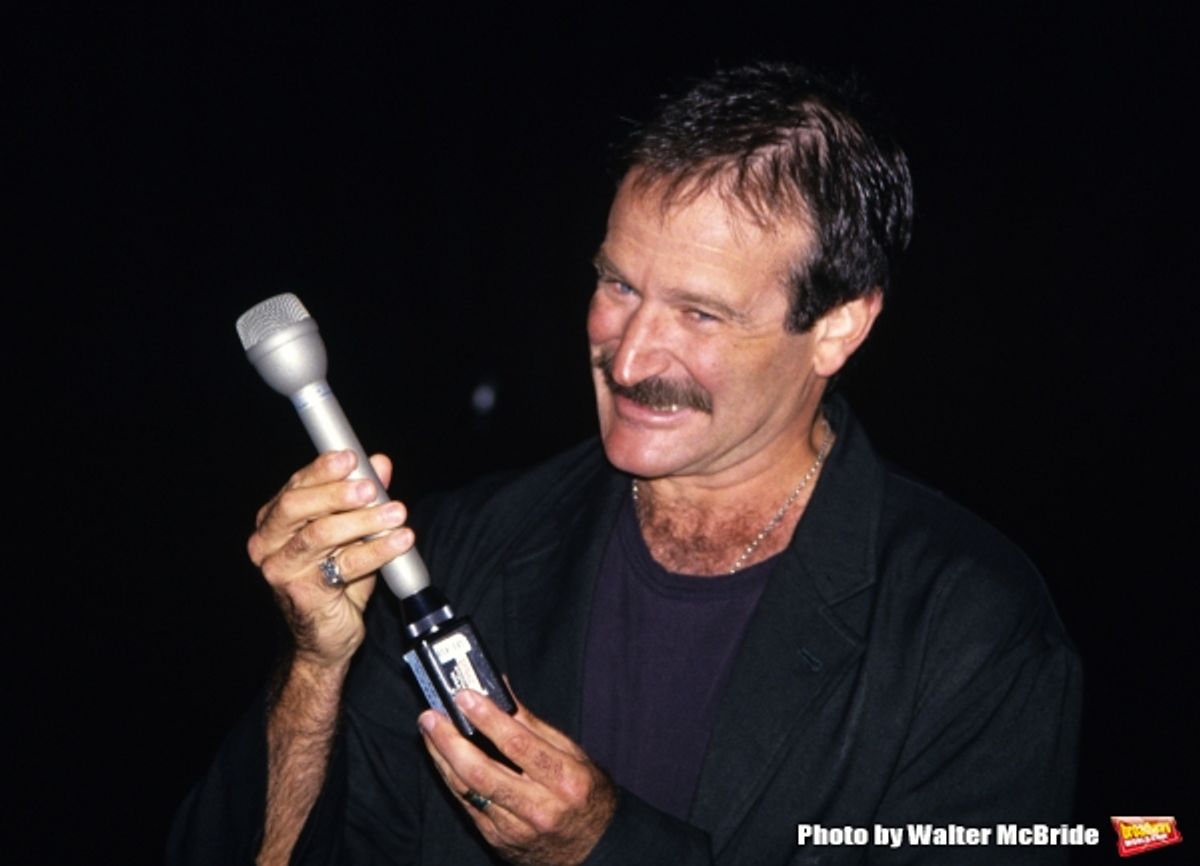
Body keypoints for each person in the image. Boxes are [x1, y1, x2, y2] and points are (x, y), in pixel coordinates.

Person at [169, 62, 1081, 865]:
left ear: (839, 326)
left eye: (700, 313)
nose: (631, 355)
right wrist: (316, 662)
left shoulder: (972, 630)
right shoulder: (462, 550)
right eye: (618, 285)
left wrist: (604, 850)